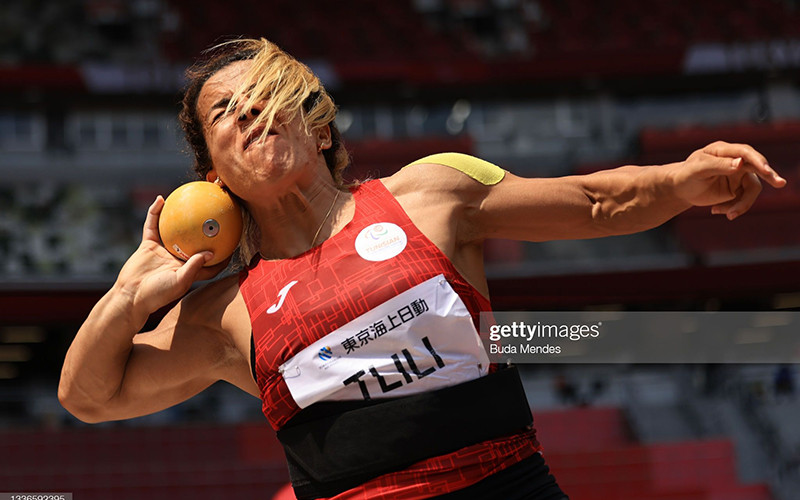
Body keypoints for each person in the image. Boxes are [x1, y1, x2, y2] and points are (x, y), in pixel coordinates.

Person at [58, 38, 786, 500]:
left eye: (266, 96)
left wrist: (682, 179)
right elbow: (89, 396)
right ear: (211, 173)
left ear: (319, 126)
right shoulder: (225, 315)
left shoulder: (432, 193)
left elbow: (596, 202)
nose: (249, 111)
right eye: (225, 111)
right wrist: (128, 295)